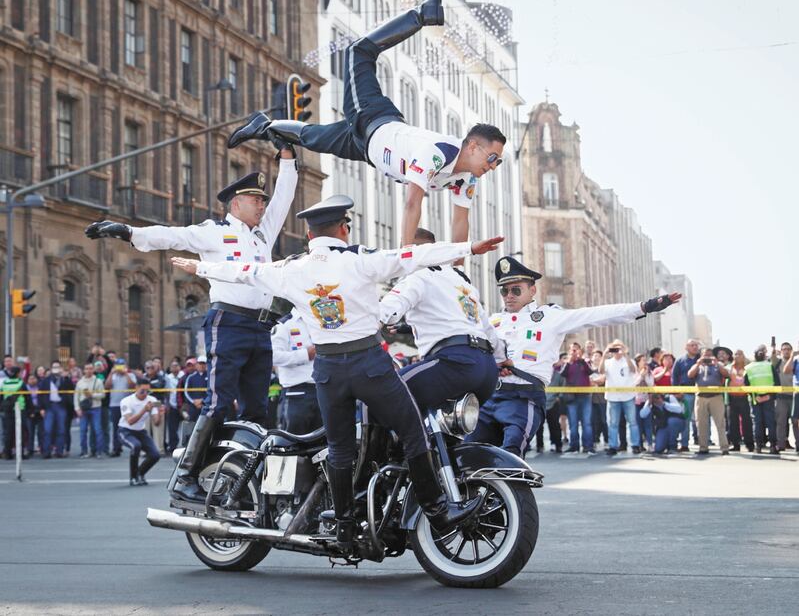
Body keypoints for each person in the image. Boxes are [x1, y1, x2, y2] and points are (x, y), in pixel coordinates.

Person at [172, 194, 504, 543]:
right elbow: (411, 256)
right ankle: (437, 510)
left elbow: (244, 272)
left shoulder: (292, 269)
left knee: (340, 448)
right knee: (411, 431)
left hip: (328, 371)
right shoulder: (359, 259)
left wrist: (201, 268)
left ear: (309, 235)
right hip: (369, 365)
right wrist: (469, 248)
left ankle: (344, 525)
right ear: (344, 229)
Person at [86, 147, 299, 501]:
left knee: (257, 410)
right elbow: (172, 235)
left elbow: (285, 196)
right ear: (235, 204)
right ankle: (185, 477)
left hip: (261, 329)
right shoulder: (214, 232)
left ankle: (245, 479)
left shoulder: (263, 234)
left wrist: (288, 158)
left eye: (263, 200)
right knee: (218, 402)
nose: (263, 205)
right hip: (228, 323)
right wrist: (126, 231)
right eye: (255, 200)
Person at [230, 0, 505, 247]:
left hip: (366, 149)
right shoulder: (439, 152)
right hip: (372, 118)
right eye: (492, 158)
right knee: (358, 51)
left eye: (498, 162)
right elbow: (412, 203)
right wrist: (405, 254)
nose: (492, 166)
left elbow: (460, 222)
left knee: (310, 137)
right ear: (472, 146)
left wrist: (458, 268)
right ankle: (423, 14)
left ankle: (262, 126)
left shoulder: (466, 178)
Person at [465, 256, 680, 457]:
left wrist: (644, 307)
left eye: (515, 289)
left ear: (532, 290)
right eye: (504, 290)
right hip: (488, 397)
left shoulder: (549, 317)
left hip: (523, 399)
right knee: (466, 454)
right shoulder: (493, 321)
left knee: (510, 455)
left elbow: (596, 315)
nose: (509, 295)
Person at [379, 227, 504, 415]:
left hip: (454, 363)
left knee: (381, 395)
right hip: (487, 371)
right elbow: (487, 329)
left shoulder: (417, 276)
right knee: (434, 423)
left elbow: (387, 311)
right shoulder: (462, 282)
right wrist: (502, 359)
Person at [271, 310, 322, 435]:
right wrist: (305, 355)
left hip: (323, 390)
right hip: (296, 393)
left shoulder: (321, 320)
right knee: (291, 440)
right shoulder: (284, 324)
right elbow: (273, 356)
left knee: (322, 441)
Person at [598, 340, 640, 456]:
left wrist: (625, 354)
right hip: (613, 397)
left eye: (619, 348)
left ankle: (635, 445)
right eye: (615, 348)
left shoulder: (629, 360)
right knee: (613, 423)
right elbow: (600, 371)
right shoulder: (608, 362)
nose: (617, 350)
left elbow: (633, 370)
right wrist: (604, 355)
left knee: (632, 422)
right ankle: (613, 446)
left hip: (628, 396)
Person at [118, 378, 161, 486]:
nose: (145, 394)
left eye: (148, 391)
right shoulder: (126, 401)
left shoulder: (152, 400)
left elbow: (156, 423)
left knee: (155, 455)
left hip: (141, 431)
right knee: (136, 446)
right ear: (136, 388)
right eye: (142, 391)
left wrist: (160, 413)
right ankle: (133, 477)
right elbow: (130, 421)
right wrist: (144, 410)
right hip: (125, 431)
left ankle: (140, 473)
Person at [688, 348, 730, 455]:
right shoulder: (697, 365)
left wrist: (717, 364)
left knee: (720, 423)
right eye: (705, 355)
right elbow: (690, 375)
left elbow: (726, 374)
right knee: (701, 424)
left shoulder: (718, 365)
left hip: (716, 397)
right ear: (701, 356)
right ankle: (703, 447)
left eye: (709, 355)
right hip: (701, 397)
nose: (707, 358)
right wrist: (698, 364)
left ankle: (724, 447)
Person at [559, 343, 595, 454]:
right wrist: (569, 362)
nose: (574, 352)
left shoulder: (585, 361)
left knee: (586, 423)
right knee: (573, 424)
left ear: (580, 350)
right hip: (572, 398)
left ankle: (588, 446)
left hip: (585, 397)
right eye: (572, 350)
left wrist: (582, 360)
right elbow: (562, 374)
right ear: (569, 351)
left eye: (576, 350)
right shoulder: (567, 363)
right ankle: (574, 446)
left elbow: (590, 371)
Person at [745, 344, 779, 454]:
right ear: (764, 355)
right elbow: (777, 382)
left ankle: (758, 446)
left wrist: (756, 396)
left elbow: (746, 385)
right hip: (768, 398)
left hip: (756, 399)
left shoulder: (748, 368)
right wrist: (769, 396)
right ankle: (773, 446)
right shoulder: (769, 366)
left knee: (757, 423)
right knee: (770, 422)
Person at [672, 339, 701, 452]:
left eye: (696, 345)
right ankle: (684, 444)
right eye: (692, 345)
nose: (695, 347)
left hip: (701, 393)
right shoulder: (680, 360)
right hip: (686, 394)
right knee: (686, 420)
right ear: (686, 347)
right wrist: (676, 392)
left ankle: (704, 443)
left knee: (701, 419)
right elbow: (674, 377)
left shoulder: (702, 359)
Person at [39, 361, 72, 458]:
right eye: (54, 367)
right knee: (47, 430)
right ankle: (46, 452)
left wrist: (66, 377)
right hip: (49, 406)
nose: (56, 369)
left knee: (61, 430)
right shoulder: (46, 380)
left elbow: (71, 388)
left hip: (61, 406)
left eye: (58, 367)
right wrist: (41, 408)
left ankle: (59, 451)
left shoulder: (64, 379)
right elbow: (40, 395)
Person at [73, 363, 106, 458]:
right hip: (83, 409)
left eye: (90, 369)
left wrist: (92, 395)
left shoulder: (98, 381)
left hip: (96, 408)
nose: (89, 371)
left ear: (93, 370)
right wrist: (77, 409)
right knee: (83, 431)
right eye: (87, 369)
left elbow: (103, 395)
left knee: (97, 430)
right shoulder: (80, 382)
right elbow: (76, 396)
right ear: (84, 370)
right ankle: (84, 451)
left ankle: (99, 451)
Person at [107, 359, 137, 457]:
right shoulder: (113, 376)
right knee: (116, 428)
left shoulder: (130, 375)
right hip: (114, 404)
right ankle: (116, 448)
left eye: (121, 365)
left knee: (131, 426)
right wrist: (111, 373)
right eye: (118, 365)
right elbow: (107, 386)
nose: (119, 368)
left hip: (128, 405)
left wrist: (126, 373)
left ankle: (134, 446)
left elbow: (132, 386)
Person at [726, 349, 754, 452]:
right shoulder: (729, 368)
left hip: (744, 398)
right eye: (736, 354)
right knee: (733, 422)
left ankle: (749, 444)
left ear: (743, 356)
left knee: (747, 422)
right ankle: (735, 444)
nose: (737, 356)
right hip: (732, 398)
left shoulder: (747, 368)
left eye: (740, 354)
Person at [774, 342, 796, 452]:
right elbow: (772, 355)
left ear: (791, 350)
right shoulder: (777, 362)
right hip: (781, 397)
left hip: (794, 397)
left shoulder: (796, 362)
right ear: (781, 351)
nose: (786, 351)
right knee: (781, 422)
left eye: (788, 349)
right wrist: (773, 347)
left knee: (796, 422)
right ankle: (781, 444)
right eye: (784, 349)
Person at [1, 366, 26, 460]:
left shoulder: (4, 383)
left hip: (7, 409)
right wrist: (30, 409)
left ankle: (7, 453)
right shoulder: (20, 383)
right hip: (20, 408)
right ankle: (20, 453)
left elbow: (1, 396)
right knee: (20, 432)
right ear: (18, 373)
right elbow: (27, 397)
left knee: (8, 432)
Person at [633, 354, 654, 451]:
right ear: (638, 362)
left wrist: (645, 375)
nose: (645, 362)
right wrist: (641, 375)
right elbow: (634, 384)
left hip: (646, 401)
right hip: (636, 401)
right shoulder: (633, 372)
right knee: (638, 424)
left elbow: (651, 384)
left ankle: (650, 444)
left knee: (648, 424)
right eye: (643, 360)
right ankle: (640, 444)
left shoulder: (649, 372)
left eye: (646, 360)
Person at [781, 343, 799, 453]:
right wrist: (792, 356)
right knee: (796, 420)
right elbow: (786, 370)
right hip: (797, 392)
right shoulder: (796, 360)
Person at [23, 374, 44, 458]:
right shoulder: (25, 388)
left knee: (41, 432)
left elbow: (43, 399)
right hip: (29, 411)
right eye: (30, 379)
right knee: (30, 432)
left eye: (34, 378)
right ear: (27, 380)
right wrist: (30, 411)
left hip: (39, 410)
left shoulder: (40, 387)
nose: (32, 380)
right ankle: (30, 449)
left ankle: (42, 448)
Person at [164, 360, 183, 453]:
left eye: (176, 366)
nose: (175, 368)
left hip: (183, 405)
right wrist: (167, 404)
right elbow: (166, 392)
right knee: (172, 428)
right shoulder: (168, 378)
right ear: (170, 368)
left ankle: (186, 444)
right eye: (173, 366)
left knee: (186, 426)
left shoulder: (183, 376)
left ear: (179, 367)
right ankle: (173, 446)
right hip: (172, 405)